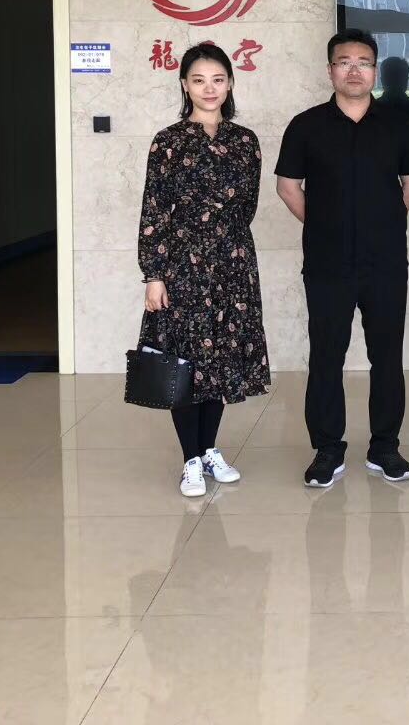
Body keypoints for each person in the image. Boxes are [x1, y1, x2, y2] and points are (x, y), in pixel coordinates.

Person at [276, 29, 409, 489]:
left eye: (364, 62)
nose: (354, 70)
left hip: (385, 263)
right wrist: (325, 222)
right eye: (345, 62)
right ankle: (327, 449)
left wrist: (384, 219)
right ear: (330, 70)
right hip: (327, 263)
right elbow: (288, 186)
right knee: (326, 356)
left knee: (387, 356)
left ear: (375, 71)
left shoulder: (398, 124)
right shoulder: (306, 125)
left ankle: (385, 447)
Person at [138, 42, 270, 498]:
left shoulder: (245, 141)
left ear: (229, 84)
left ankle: (210, 449)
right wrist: (154, 274)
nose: (208, 88)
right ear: (184, 85)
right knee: (186, 361)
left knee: (220, 361)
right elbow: (154, 209)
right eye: (198, 80)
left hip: (233, 265)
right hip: (182, 268)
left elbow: (247, 206)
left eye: (217, 80)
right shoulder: (168, 142)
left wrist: (225, 243)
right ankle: (190, 461)